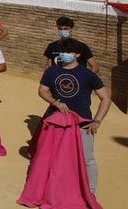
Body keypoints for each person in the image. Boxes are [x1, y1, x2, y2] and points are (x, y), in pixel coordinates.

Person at [39, 45, 112, 194]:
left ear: (78, 54)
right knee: (51, 156)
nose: (64, 54)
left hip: (82, 123)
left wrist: (97, 121)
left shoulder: (88, 74)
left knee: (87, 159)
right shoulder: (52, 71)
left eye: (68, 52)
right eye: (62, 52)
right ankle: (53, 190)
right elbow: (42, 90)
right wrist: (56, 103)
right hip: (56, 121)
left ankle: (90, 192)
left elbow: (106, 98)